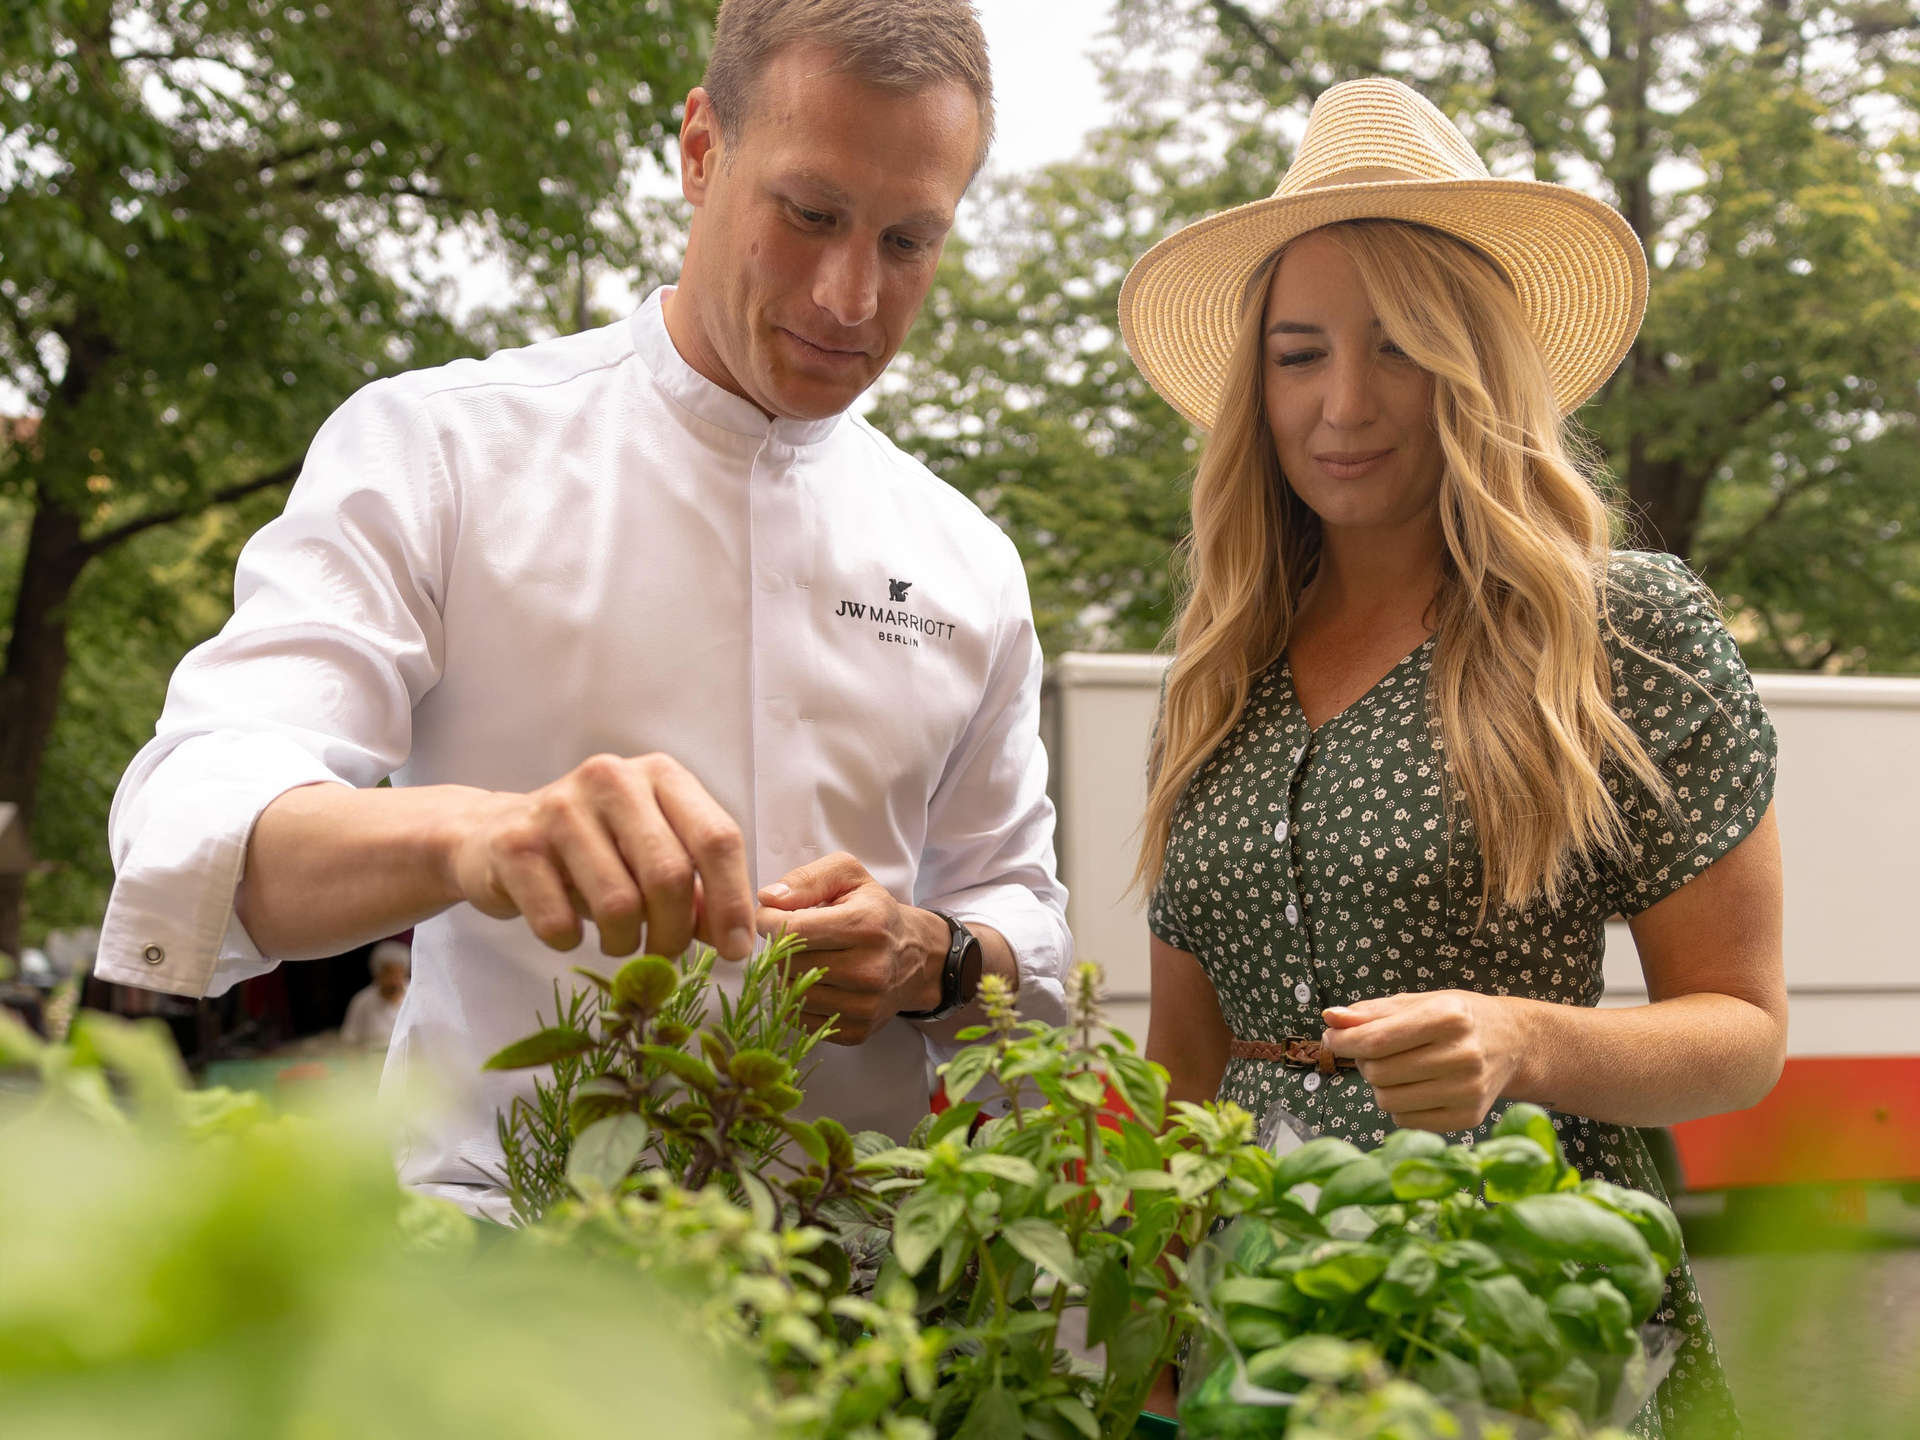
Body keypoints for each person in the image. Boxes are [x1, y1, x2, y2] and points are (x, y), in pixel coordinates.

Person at [94, 0, 1070, 1220]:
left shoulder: (968, 560)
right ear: (702, 152)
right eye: (810, 214)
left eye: (910, 241)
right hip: (510, 1272)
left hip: (854, 1302)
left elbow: (1021, 918)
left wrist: (935, 958)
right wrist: (477, 838)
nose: (850, 296)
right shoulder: (444, 452)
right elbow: (197, 814)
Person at [1120, 79, 1783, 1438]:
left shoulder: (1620, 628)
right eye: (1299, 353)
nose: (1345, 403)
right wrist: (1147, 1328)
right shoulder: (1215, 675)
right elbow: (1183, 1062)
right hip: (1254, 1333)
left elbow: (1744, 1033)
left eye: (1402, 346)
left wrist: (1522, 1039)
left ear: (1476, 361)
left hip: (1519, 1302)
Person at [340, 938, 412, 1052]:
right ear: (377, 972)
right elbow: (349, 1040)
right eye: (388, 972)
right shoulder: (362, 1001)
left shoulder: (414, 996)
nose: (394, 979)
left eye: (399, 972)